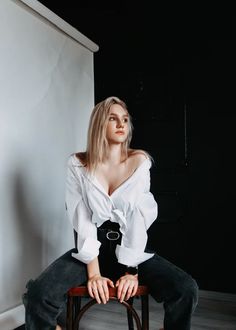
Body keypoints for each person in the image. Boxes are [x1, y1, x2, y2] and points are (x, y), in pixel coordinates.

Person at [22, 96, 198, 329]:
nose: (121, 124)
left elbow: (138, 218)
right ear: (98, 125)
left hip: (132, 249)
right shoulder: (77, 165)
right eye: (113, 118)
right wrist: (93, 273)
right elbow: (82, 218)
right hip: (91, 251)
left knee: (186, 289)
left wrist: (131, 270)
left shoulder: (139, 162)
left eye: (125, 119)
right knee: (37, 294)